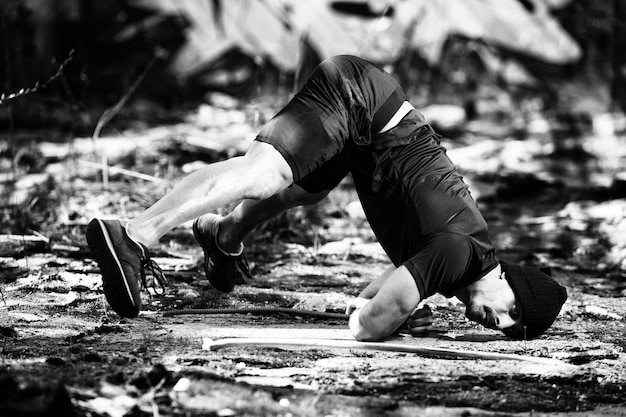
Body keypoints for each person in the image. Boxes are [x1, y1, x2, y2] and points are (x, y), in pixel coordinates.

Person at [86, 55, 567, 341]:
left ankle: (223, 234)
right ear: (514, 281)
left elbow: (374, 297)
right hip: (360, 99)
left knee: (303, 193)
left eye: (508, 331)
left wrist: (393, 312)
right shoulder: (459, 252)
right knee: (262, 176)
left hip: (368, 134)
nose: (498, 323)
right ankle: (133, 234)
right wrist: (381, 322)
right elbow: (370, 320)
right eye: (514, 313)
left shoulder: (460, 263)